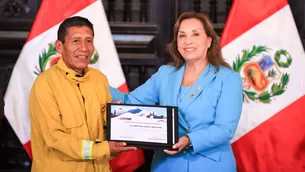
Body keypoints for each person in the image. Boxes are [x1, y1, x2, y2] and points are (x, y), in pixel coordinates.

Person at [110, 12, 243, 172]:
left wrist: (188, 139)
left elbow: (225, 129)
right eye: (182, 35)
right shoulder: (165, 73)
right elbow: (130, 102)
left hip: (210, 165)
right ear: (176, 42)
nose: (188, 41)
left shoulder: (228, 78)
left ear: (209, 41)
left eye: (195, 34)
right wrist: (96, 84)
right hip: (167, 164)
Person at [29, 16, 136, 172]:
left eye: (89, 41)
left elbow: (104, 128)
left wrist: (116, 119)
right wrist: (103, 149)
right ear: (59, 47)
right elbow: (55, 139)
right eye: (76, 41)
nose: (84, 48)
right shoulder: (45, 84)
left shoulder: (99, 80)